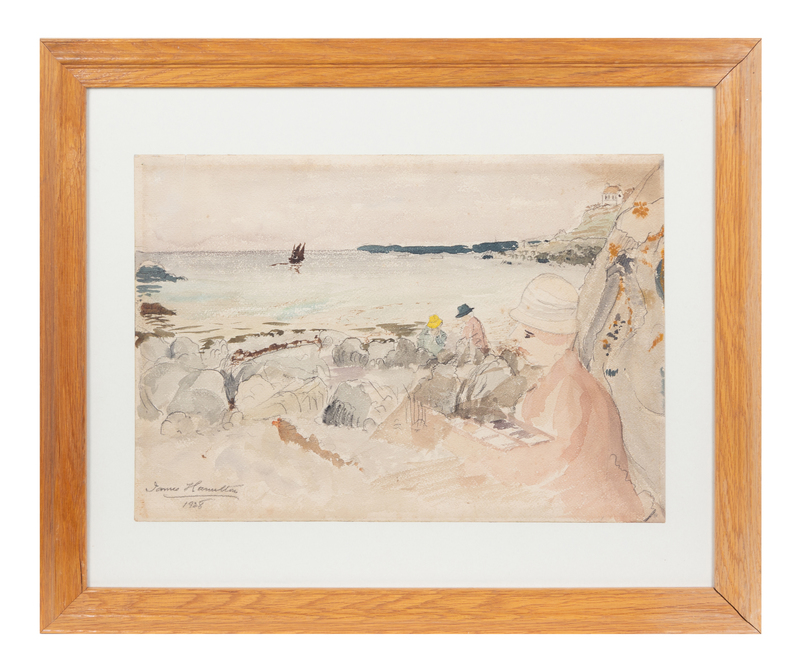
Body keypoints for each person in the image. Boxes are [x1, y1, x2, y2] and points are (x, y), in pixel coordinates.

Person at [483, 274, 647, 521]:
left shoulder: (571, 386)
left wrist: (497, 462)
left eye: (528, 334)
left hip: (592, 513)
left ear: (563, 338)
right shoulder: (555, 374)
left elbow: (559, 457)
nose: (514, 336)